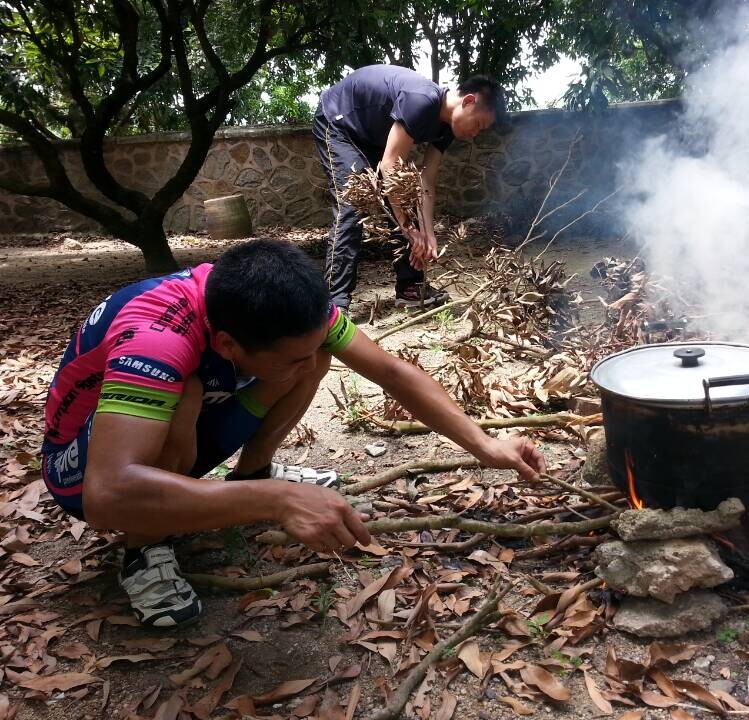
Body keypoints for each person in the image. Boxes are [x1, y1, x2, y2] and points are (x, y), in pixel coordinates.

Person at [41, 239, 545, 628]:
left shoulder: (283, 307)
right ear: (227, 344)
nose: (307, 369)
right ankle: (144, 551)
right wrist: (279, 502)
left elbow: (392, 372)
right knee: (185, 394)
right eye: (289, 357)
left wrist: (486, 445)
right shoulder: (158, 337)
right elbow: (107, 495)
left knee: (314, 356)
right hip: (82, 472)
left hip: (169, 439)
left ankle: (252, 474)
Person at [313, 64, 506, 310]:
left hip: (373, 136)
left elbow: (426, 180)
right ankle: (334, 303)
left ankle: (410, 287)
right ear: (468, 101)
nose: (475, 133)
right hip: (339, 122)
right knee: (351, 207)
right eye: (478, 124)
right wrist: (408, 228)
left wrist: (427, 232)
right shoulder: (421, 100)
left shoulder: (447, 128)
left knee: (407, 198)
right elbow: (390, 165)